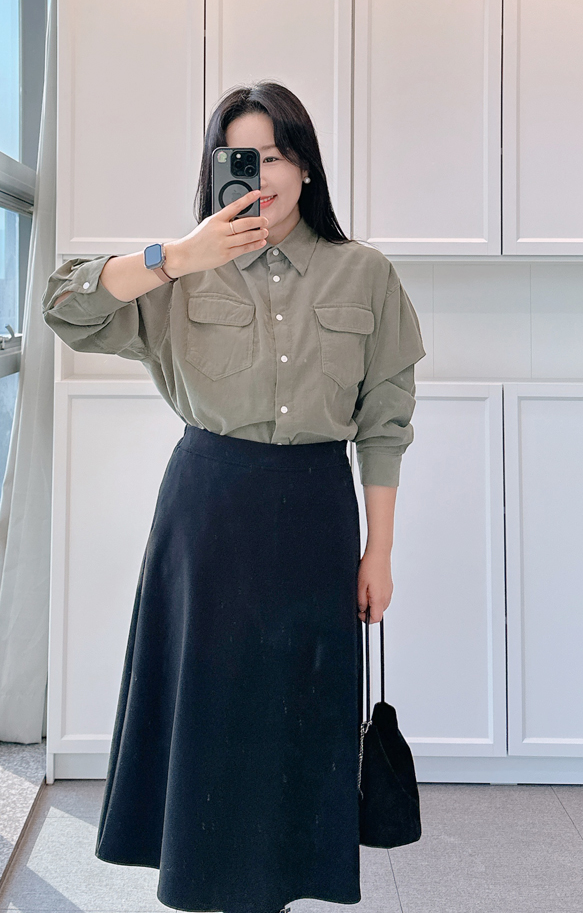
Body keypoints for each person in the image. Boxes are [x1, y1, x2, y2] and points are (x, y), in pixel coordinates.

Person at [41, 81, 425, 913]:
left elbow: (385, 422)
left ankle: (278, 891)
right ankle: (207, 887)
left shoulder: (365, 274)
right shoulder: (180, 271)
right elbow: (64, 307)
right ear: (219, 170)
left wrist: (380, 551)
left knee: (299, 715)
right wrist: (174, 257)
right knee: (212, 714)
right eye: (243, 157)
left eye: (277, 155)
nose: (264, 175)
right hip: (208, 517)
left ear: (306, 167)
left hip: (317, 514)